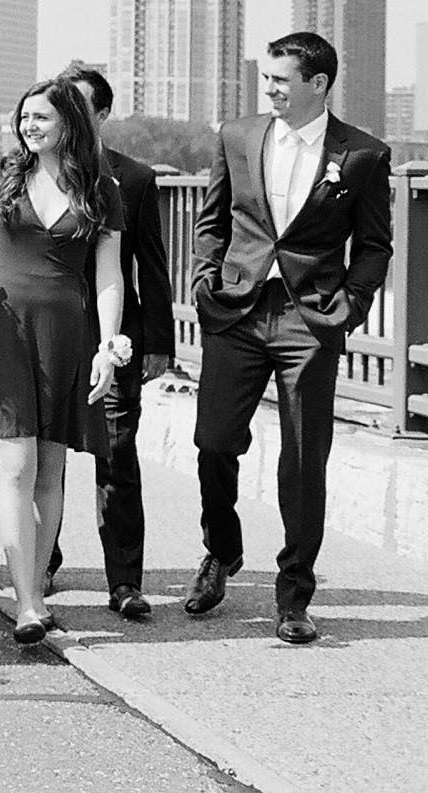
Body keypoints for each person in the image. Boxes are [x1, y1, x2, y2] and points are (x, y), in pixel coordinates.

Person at [186, 32, 393, 645]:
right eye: (267, 79)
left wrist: (350, 307)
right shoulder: (238, 135)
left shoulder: (362, 155)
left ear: (319, 85)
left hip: (311, 318)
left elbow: (375, 244)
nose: (269, 89)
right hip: (238, 311)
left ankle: (294, 598)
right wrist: (205, 278)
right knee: (213, 440)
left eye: (281, 80)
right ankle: (221, 552)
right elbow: (214, 219)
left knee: (304, 459)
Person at [0, 77, 126, 643]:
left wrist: (108, 346)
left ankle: (37, 588)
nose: (29, 126)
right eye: (24, 116)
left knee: (51, 473)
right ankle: (27, 604)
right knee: (16, 468)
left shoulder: (101, 187)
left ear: (69, 123)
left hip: (66, 335)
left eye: (42, 117)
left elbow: (109, 275)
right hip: (3, 330)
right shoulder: (0, 178)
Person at [48, 61, 175, 619]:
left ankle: (124, 581)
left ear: (100, 114)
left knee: (117, 454)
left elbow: (153, 266)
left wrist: (157, 342)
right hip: (49, 336)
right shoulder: (32, 171)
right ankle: (40, 562)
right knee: (44, 454)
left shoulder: (137, 178)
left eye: (77, 105)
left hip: (115, 339)